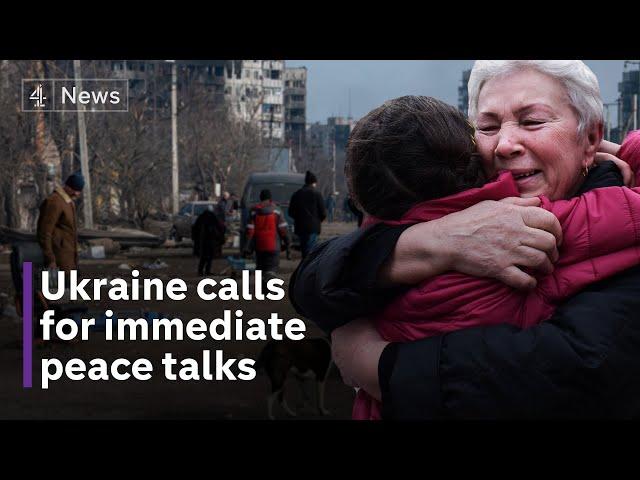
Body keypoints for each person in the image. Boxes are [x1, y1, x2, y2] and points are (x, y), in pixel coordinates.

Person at [289, 60, 640, 419]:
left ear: (592, 138)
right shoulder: (450, 211)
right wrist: (433, 242)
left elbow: (573, 371)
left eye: (532, 121)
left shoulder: (623, 238)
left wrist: (377, 364)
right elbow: (310, 282)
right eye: (488, 126)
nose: (504, 144)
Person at [36, 172, 84, 273]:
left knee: (67, 287)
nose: (76, 193)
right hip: (57, 260)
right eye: (74, 189)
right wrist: (50, 259)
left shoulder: (67, 201)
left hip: (67, 259)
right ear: (67, 186)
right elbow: (44, 232)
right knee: (54, 287)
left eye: (78, 191)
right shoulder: (54, 202)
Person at [244, 189, 290, 278]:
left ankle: (262, 289)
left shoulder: (254, 211)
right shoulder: (277, 211)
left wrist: (247, 246)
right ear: (270, 198)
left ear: (260, 198)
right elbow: (283, 230)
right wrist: (287, 243)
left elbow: (250, 230)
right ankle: (270, 286)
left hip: (259, 246)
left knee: (260, 268)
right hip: (273, 246)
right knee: (271, 269)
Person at [288, 170, 326, 258]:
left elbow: (291, 212)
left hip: (300, 226)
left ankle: (305, 265)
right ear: (314, 182)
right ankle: (308, 267)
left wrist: (298, 219)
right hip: (313, 227)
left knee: (304, 247)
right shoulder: (317, 194)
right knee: (310, 250)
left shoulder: (297, 194)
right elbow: (323, 212)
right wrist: (318, 221)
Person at [192, 205, 226, 276]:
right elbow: (219, 228)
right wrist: (220, 238)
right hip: (211, 241)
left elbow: (195, 229)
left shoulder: (201, 217)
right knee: (209, 257)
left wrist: (195, 239)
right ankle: (207, 271)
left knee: (203, 257)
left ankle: (200, 271)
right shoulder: (213, 218)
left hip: (202, 241)